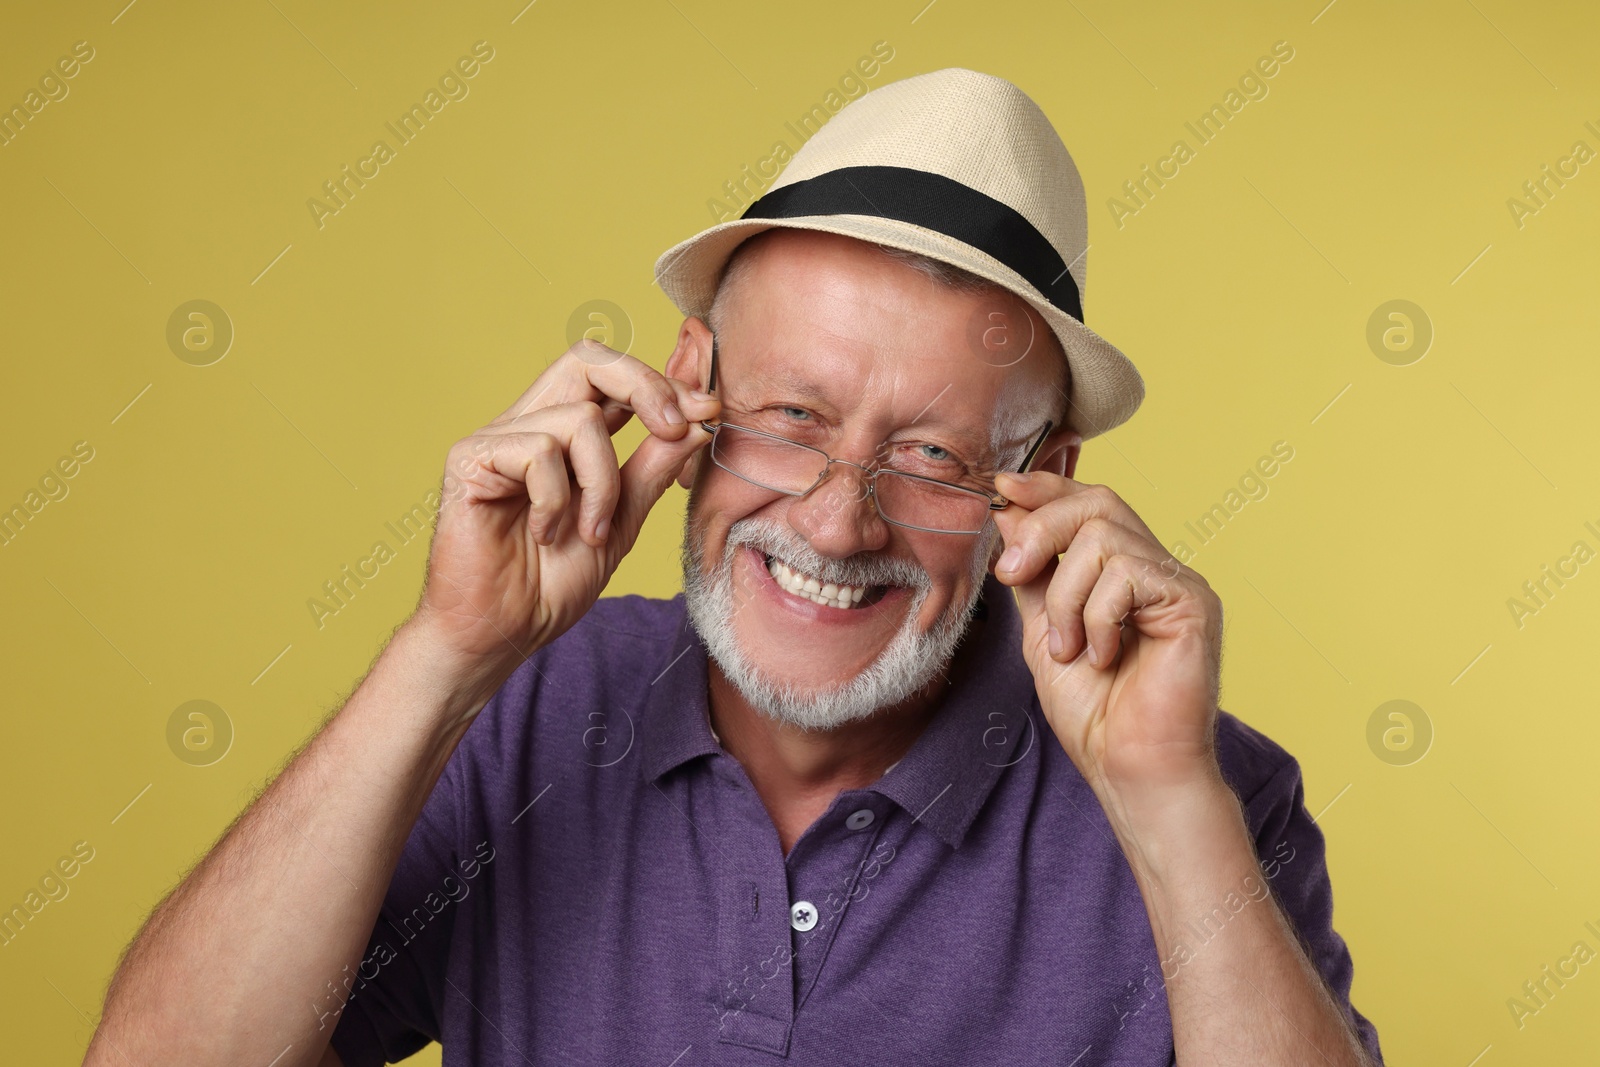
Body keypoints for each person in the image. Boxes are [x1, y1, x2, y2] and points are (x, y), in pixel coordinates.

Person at [86, 68, 1383, 1066]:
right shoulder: (529, 710)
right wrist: (446, 656)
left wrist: (1167, 800)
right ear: (692, 386)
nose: (834, 523)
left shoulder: (1202, 798)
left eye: (932, 455)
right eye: (793, 420)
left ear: (1041, 469)